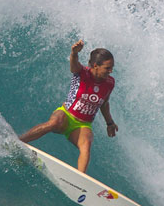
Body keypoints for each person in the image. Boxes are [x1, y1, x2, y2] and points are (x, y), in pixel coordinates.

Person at [19, 39, 117, 172]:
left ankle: (79, 180)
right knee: (54, 122)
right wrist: (74, 53)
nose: (110, 71)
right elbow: (74, 65)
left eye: (111, 68)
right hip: (66, 115)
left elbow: (104, 103)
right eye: (107, 68)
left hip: (82, 125)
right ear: (95, 65)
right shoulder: (82, 73)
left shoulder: (110, 83)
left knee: (86, 144)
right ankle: (18, 142)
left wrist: (109, 123)